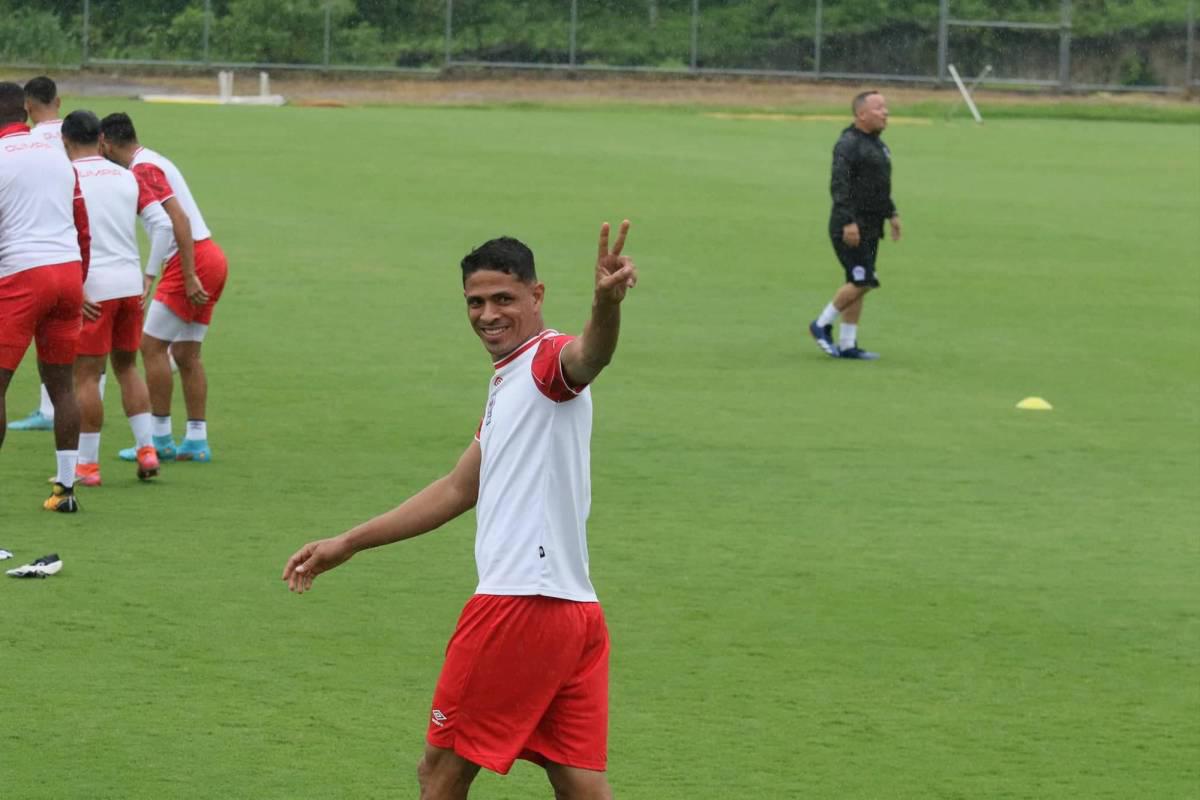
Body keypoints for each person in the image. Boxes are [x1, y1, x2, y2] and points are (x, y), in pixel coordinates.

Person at [282, 221, 638, 800]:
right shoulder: (508, 382)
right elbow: (456, 489)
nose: (488, 314)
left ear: (537, 295)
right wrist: (348, 542)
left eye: (504, 299)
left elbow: (590, 354)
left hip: (519, 605)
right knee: (579, 782)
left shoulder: (549, 364)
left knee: (441, 772)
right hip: (573, 614)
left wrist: (605, 304)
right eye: (475, 301)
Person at [98, 112, 224, 463]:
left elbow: (175, 222)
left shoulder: (142, 169)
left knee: (151, 346)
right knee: (186, 354)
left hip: (192, 258)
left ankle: (161, 436)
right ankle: (197, 441)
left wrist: (167, 274)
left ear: (105, 142)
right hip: (210, 254)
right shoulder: (153, 159)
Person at [62, 109, 176, 484]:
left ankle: (87, 465)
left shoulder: (68, 177)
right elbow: (161, 223)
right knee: (127, 368)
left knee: (87, 376)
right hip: (129, 286)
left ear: (65, 142)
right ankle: (146, 451)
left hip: (93, 288)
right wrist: (147, 275)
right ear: (100, 140)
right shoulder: (125, 177)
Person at [0, 81, 90, 511]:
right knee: (62, 387)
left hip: (22, 277)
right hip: (68, 275)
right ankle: (65, 490)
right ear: (24, 111)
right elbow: (81, 223)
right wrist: (80, 279)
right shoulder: (57, 156)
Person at [8, 75, 110, 431]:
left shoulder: (29, 142)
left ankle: (45, 411)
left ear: (28, 107)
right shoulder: (72, 142)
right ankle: (71, 474)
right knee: (82, 357)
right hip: (83, 255)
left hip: (33, 256)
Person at [809, 90, 901, 360]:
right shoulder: (848, 144)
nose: (886, 112)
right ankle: (821, 324)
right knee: (863, 280)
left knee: (857, 280)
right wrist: (849, 222)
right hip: (851, 227)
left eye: (886, 107)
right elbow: (840, 186)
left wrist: (891, 213)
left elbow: (878, 187)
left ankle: (848, 344)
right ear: (861, 114)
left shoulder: (878, 145)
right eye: (879, 108)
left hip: (871, 225)